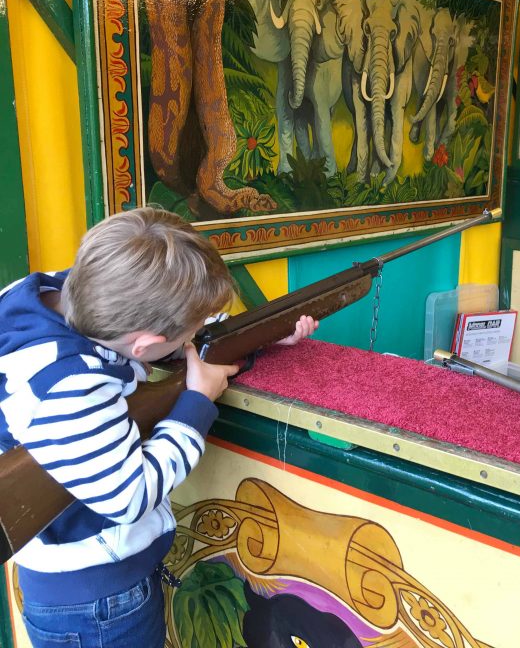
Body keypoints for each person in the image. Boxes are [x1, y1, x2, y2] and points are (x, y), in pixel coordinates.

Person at [0, 207, 318, 648]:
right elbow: (130, 496)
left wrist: (254, 332)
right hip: (100, 601)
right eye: (188, 333)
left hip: (75, 583)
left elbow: (150, 323)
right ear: (145, 344)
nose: (192, 337)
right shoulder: (70, 388)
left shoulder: (50, 294)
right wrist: (195, 403)